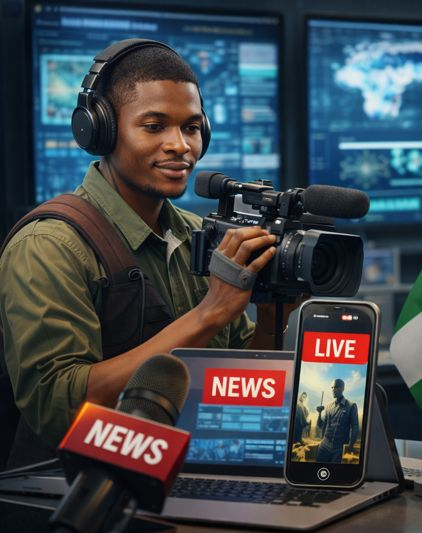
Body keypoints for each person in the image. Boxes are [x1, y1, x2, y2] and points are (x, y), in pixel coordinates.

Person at [0, 41, 291, 468]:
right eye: (154, 126)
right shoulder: (49, 246)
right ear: (101, 130)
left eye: (191, 128)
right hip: (81, 495)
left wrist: (272, 317)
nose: (180, 145)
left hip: (190, 473)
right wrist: (208, 314)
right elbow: (56, 408)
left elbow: (240, 384)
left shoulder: (198, 235)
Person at [315, 379, 360, 463]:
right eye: (332, 387)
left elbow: (355, 426)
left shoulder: (351, 406)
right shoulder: (328, 407)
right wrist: (319, 413)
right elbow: (320, 425)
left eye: (335, 387)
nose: (333, 389)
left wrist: (350, 445)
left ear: (342, 388)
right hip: (324, 445)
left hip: (339, 448)